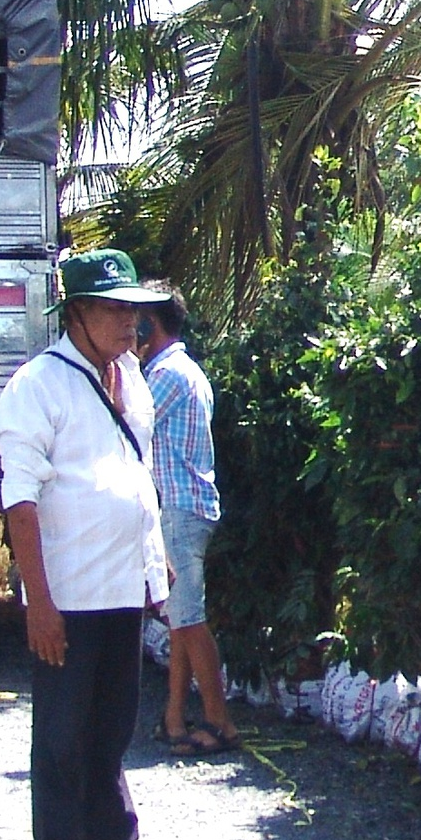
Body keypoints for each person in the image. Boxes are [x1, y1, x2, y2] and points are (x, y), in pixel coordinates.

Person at [0, 248, 179, 840]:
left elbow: (137, 477)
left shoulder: (130, 375)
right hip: (67, 591)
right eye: (114, 309)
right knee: (63, 731)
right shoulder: (37, 385)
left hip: (123, 584)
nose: (130, 323)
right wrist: (37, 601)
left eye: (133, 309)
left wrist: (156, 562)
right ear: (76, 313)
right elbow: (19, 499)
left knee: (113, 724)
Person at [137, 283, 237, 758]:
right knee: (180, 618)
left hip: (179, 509)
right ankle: (175, 715)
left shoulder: (167, 376)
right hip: (181, 507)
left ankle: (220, 722)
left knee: (190, 618)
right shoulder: (178, 369)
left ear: (147, 325)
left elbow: (124, 418)